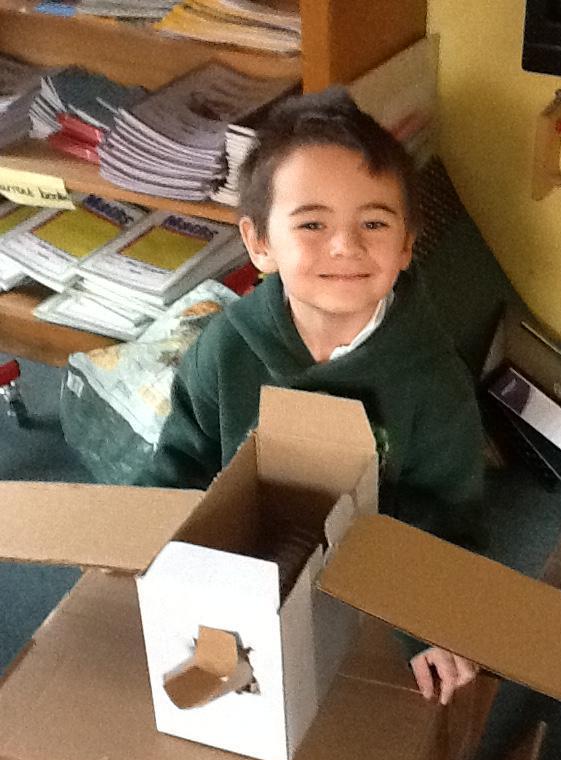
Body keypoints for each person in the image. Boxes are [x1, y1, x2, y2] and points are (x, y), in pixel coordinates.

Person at [142, 88, 486, 705]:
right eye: (312, 224)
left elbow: (452, 516)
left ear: (407, 244)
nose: (345, 246)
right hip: (247, 569)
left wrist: (430, 622)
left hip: (371, 583)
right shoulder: (225, 349)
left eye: (374, 223)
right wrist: (142, 552)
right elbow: (181, 465)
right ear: (259, 244)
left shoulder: (433, 380)